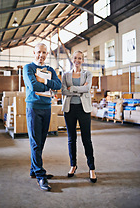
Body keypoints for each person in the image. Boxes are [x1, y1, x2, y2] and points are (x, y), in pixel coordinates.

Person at [23, 43, 61, 191]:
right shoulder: (28, 68)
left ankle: (34, 170)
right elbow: (33, 86)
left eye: (44, 52)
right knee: (35, 142)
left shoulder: (50, 70)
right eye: (39, 52)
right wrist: (49, 86)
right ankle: (40, 175)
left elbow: (57, 85)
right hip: (33, 108)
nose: (41, 55)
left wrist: (44, 81)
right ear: (34, 52)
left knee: (41, 141)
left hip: (46, 108)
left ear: (47, 54)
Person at [62, 50, 97, 183]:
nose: (77, 60)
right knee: (71, 139)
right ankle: (73, 165)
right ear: (72, 59)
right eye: (75, 58)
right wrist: (79, 89)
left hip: (84, 109)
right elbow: (64, 90)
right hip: (69, 109)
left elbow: (87, 89)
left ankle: (92, 168)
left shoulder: (87, 73)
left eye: (80, 58)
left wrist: (73, 89)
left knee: (86, 139)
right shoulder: (65, 75)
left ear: (82, 60)